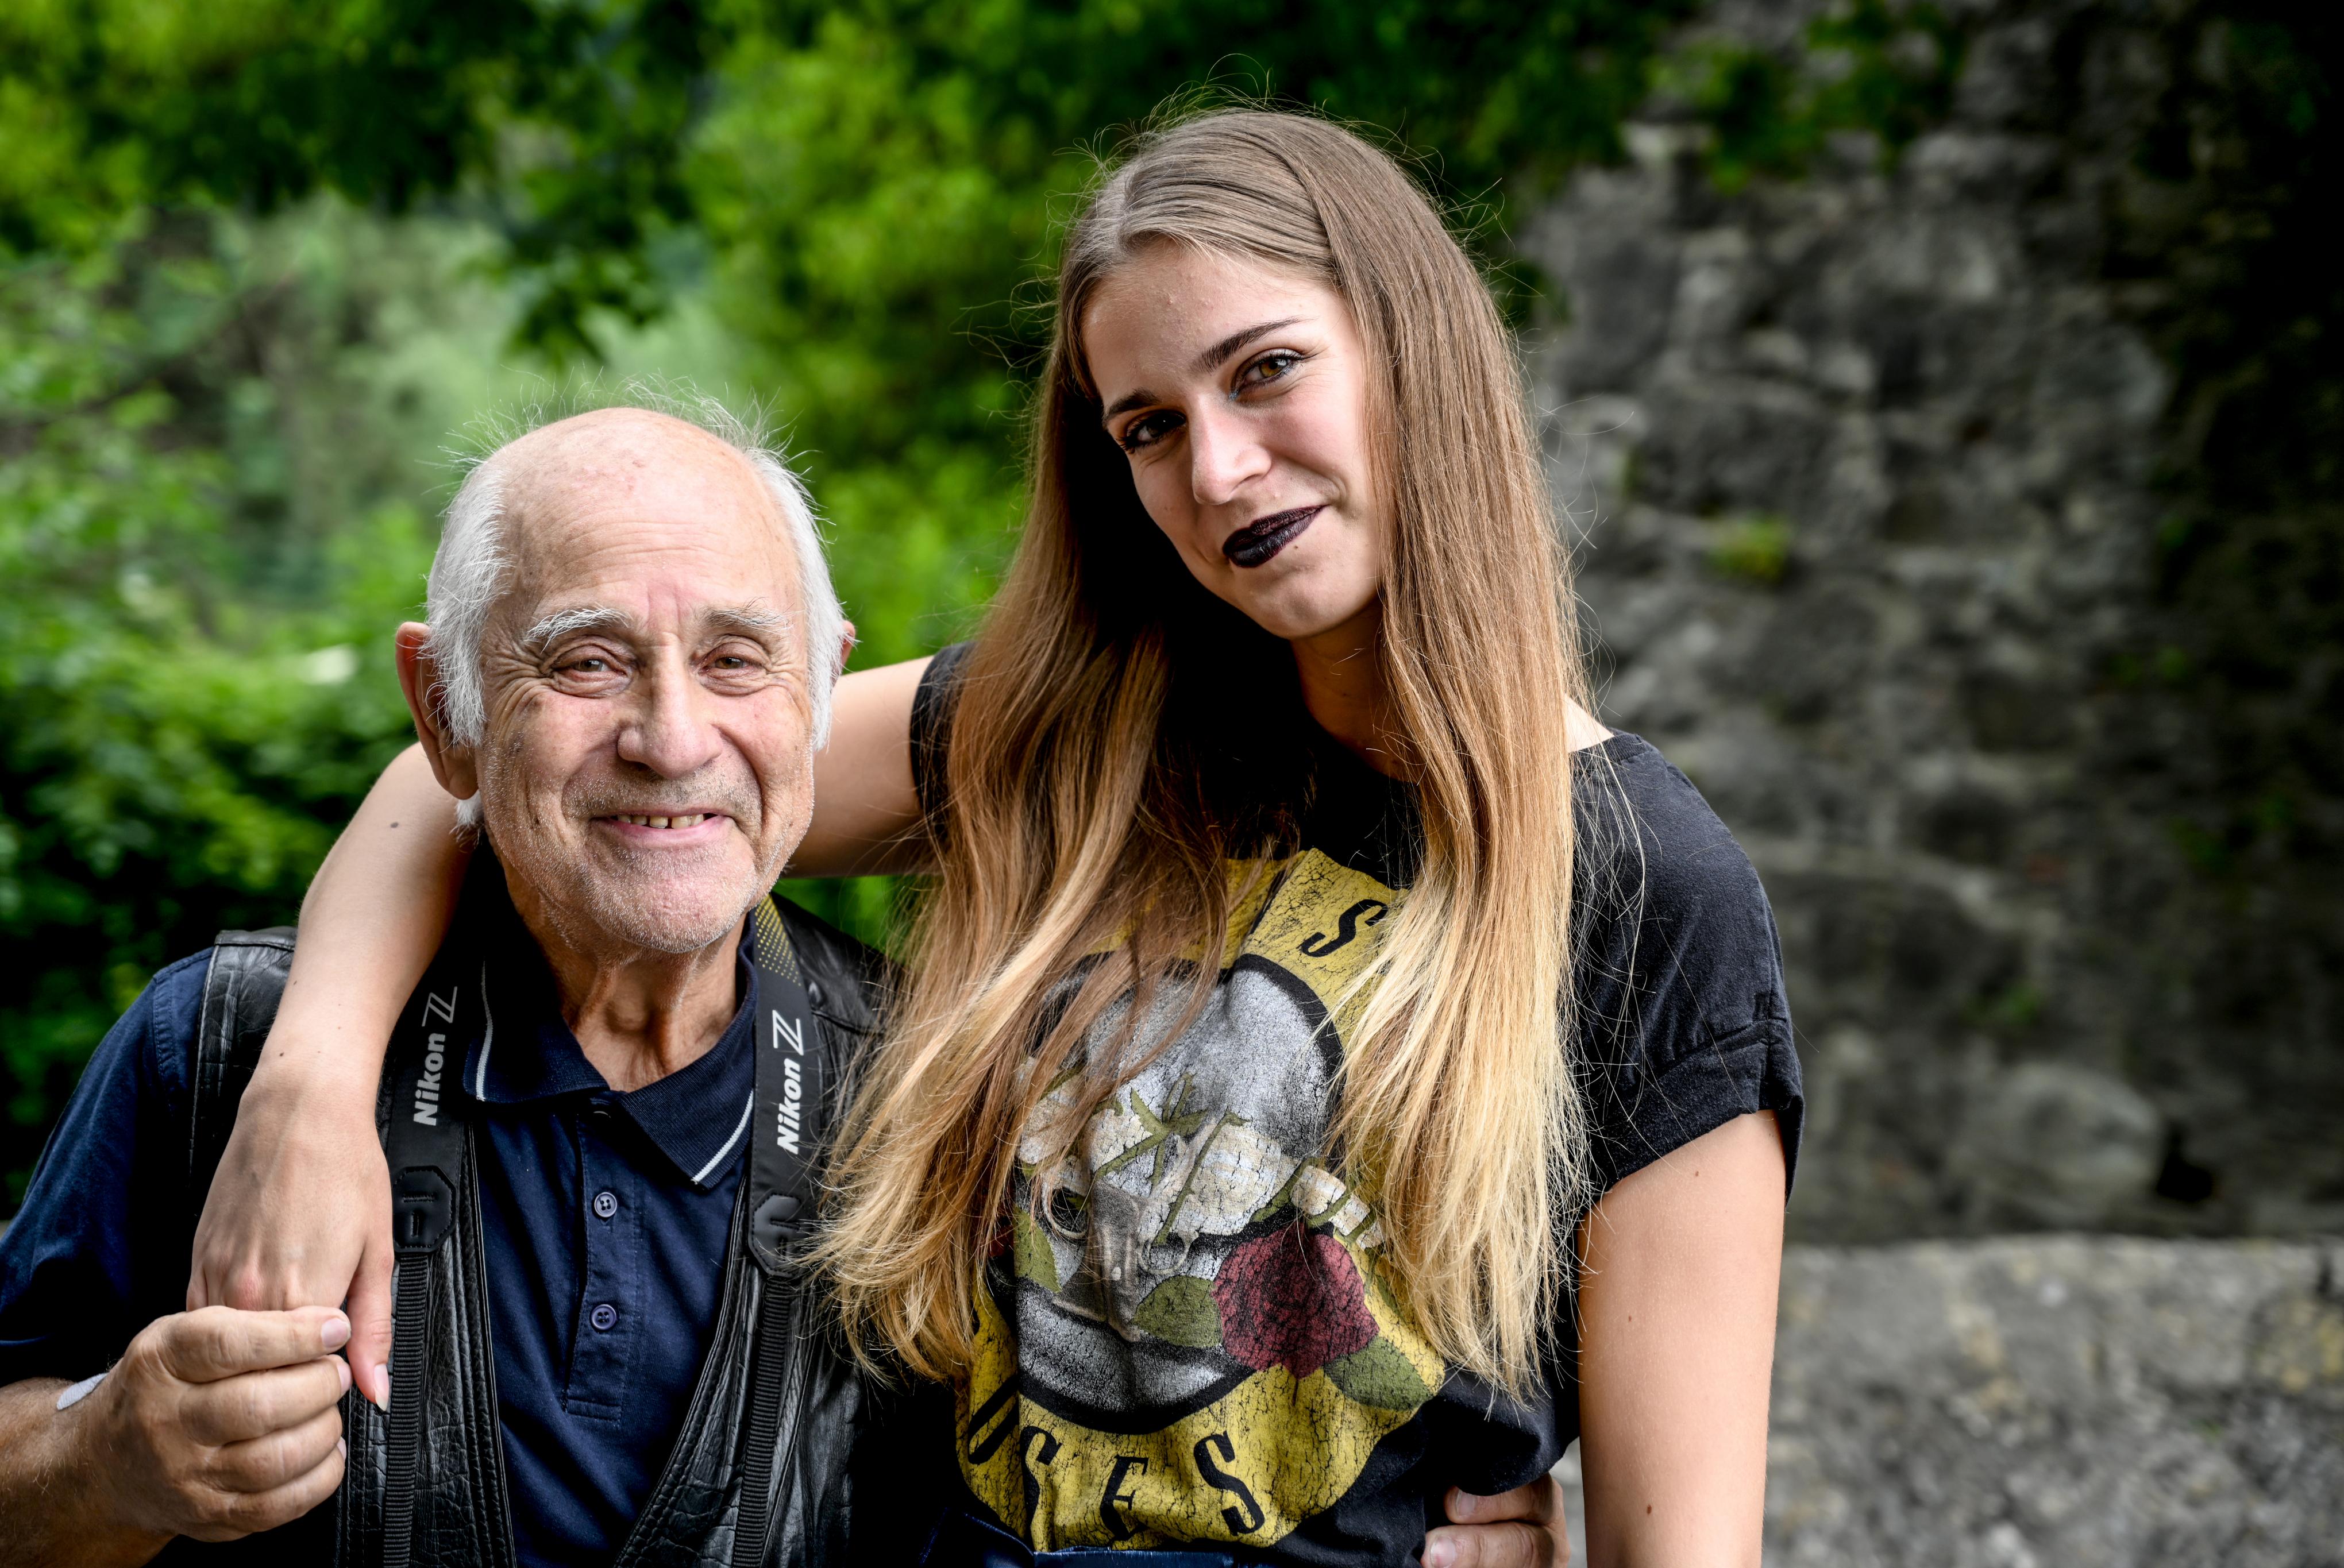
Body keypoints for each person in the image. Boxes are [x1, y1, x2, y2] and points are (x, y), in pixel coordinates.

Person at [189, 109, 1803, 1566]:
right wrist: (310, 1082)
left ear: (1413, 351)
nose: (1217, 468)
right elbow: (493, 772)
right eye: (1146, 426)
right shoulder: (1078, 733)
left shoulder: (1645, 891)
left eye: (1264, 370)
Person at [0, 400, 890, 1565]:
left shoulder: (922, 1090)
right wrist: (103, 1457)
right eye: (587, 661)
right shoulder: (218, 1043)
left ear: (823, 689)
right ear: (442, 709)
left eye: (735, 660)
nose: (672, 739)